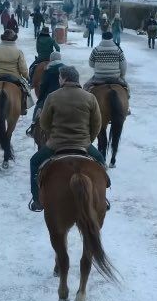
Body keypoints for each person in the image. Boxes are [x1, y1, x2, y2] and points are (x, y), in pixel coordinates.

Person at [28, 66, 107, 212]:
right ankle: (103, 197)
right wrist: (88, 140)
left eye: (59, 78)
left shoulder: (52, 97)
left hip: (56, 144)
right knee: (101, 161)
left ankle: (37, 199)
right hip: (83, 143)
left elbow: (44, 123)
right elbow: (97, 124)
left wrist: (53, 134)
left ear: (63, 79)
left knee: (34, 162)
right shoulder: (90, 97)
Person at [85, 31, 129, 98]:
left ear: (102, 38)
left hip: (99, 77)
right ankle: (127, 106)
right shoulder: (118, 50)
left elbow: (91, 64)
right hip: (115, 77)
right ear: (112, 38)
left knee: (86, 87)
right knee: (127, 88)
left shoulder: (96, 50)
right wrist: (122, 76)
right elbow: (123, 65)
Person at [28, 51, 65, 131]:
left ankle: (33, 126)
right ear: (60, 58)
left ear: (51, 60)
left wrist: (41, 98)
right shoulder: (66, 69)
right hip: (64, 95)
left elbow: (43, 86)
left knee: (39, 105)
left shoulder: (47, 71)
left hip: (50, 96)